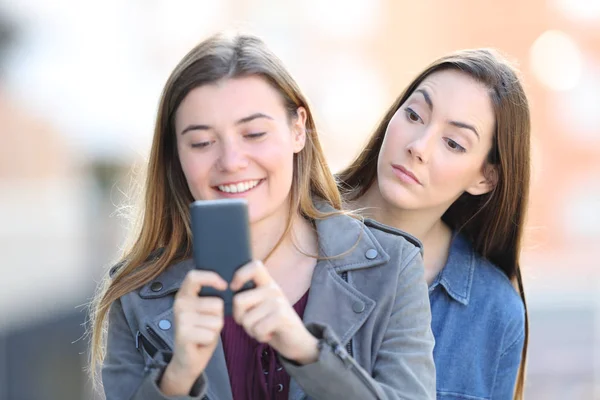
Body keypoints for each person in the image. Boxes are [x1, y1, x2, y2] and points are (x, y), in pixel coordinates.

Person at [89, 32, 436, 400]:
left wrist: (307, 352)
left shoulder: (392, 269)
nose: (231, 162)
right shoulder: (137, 295)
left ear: (298, 129)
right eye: (202, 142)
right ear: (176, 155)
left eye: (254, 133)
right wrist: (178, 376)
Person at [337, 49, 529, 400]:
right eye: (413, 115)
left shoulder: (494, 311)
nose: (418, 147)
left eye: (454, 143)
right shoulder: (293, 218)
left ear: (485, 179)